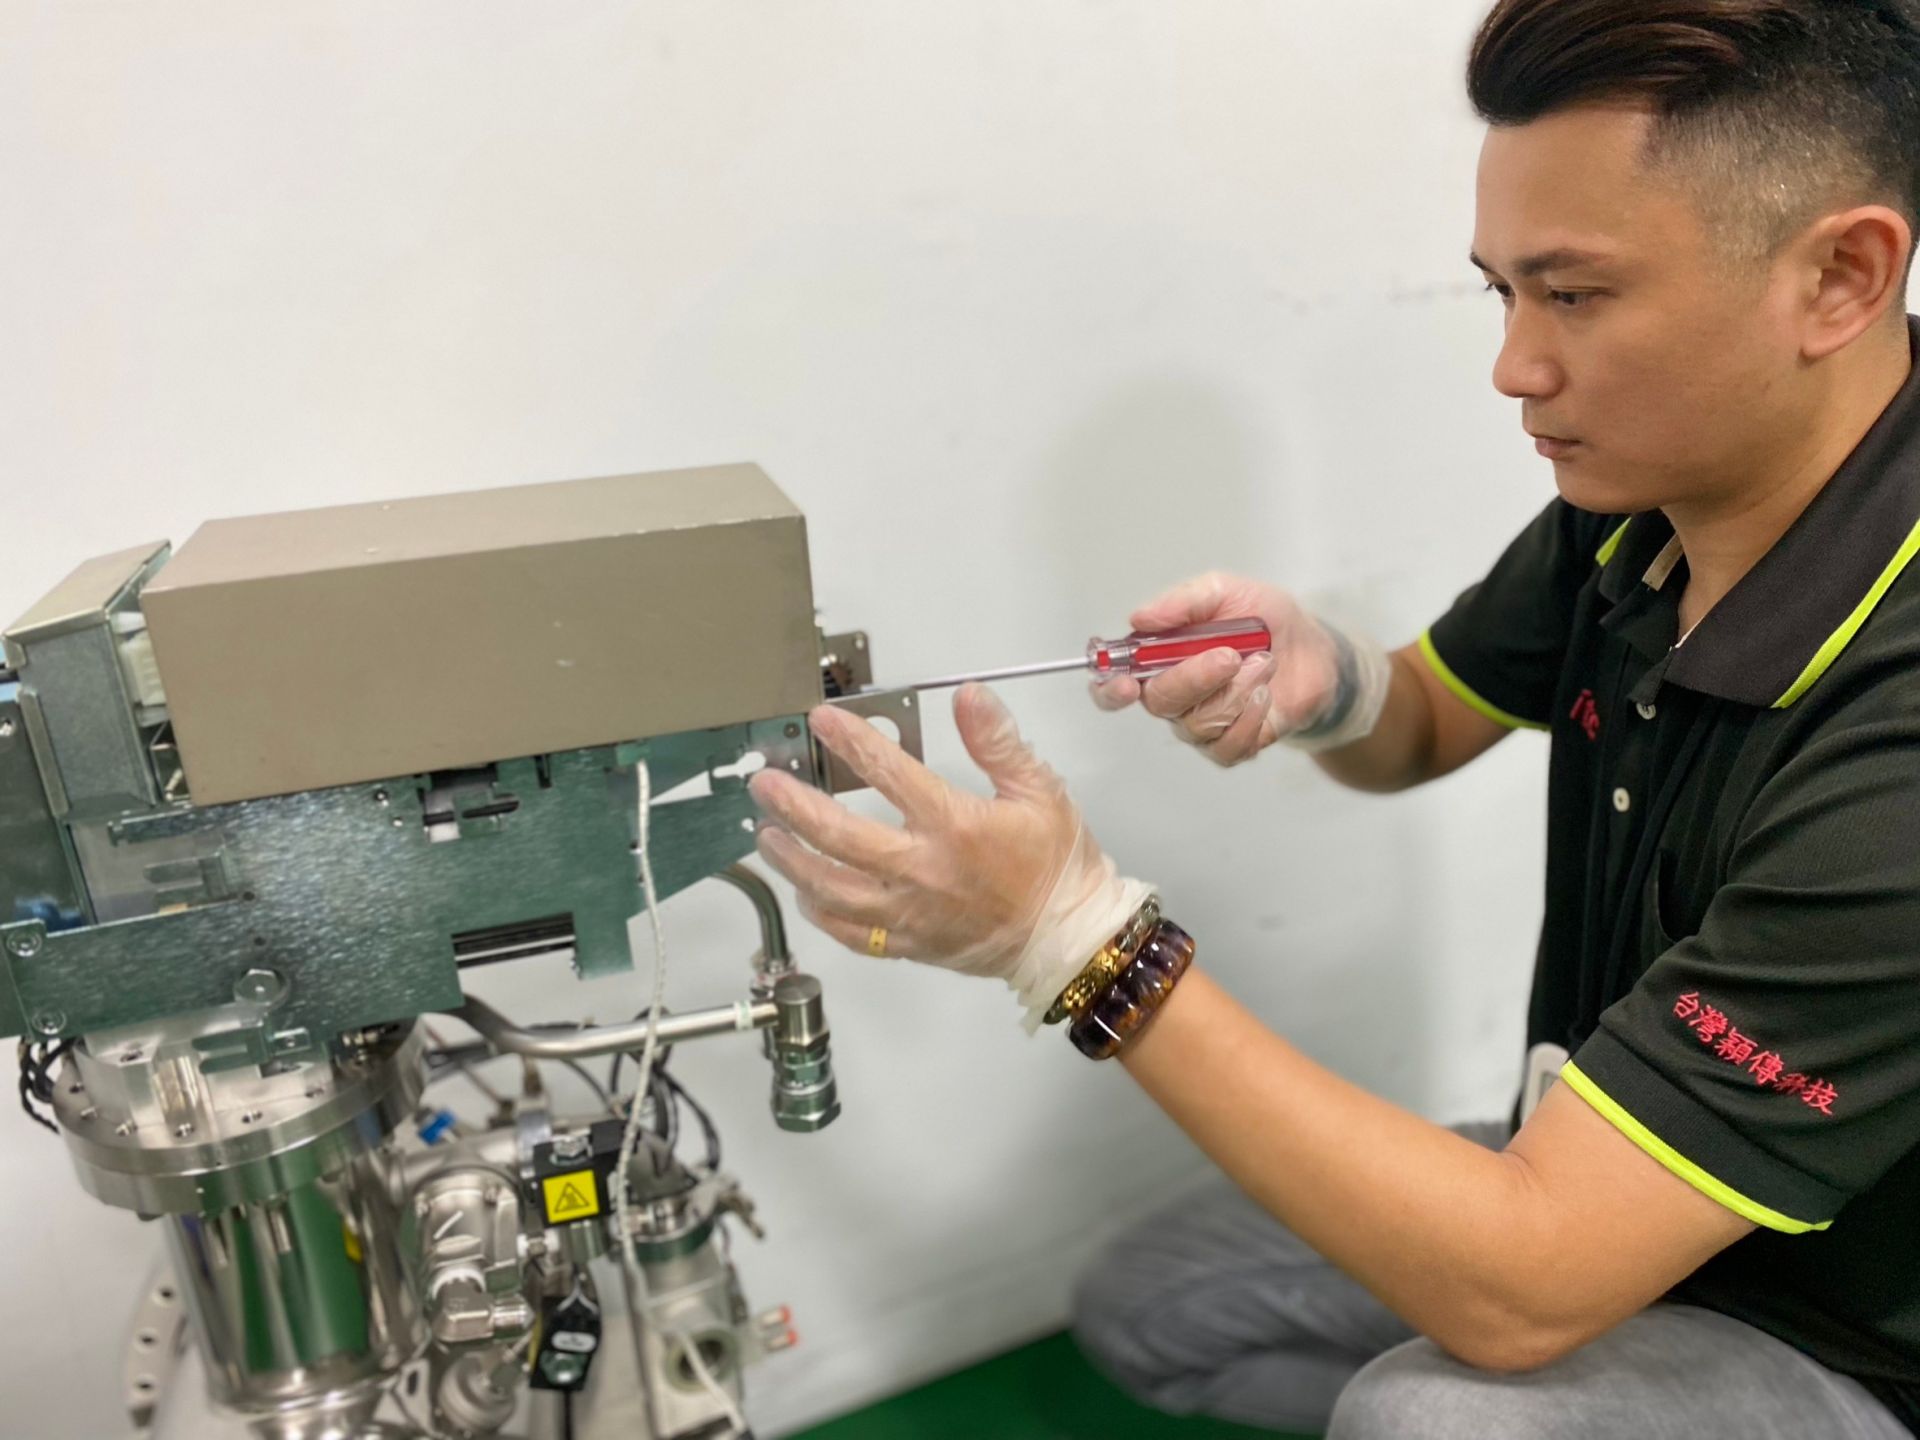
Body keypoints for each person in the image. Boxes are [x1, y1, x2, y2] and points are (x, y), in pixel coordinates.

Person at [746, 1, 1920, 1434]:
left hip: (1848, 1335)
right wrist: (1328, 678)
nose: (1516, 367)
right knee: (1162, 1302)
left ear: (1841, 278)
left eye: (1575, 296)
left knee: (1431, 1414)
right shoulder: (1660, 495)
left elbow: (1527, 1288)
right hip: (1625, 1177)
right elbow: (1419, 723)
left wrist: (1073, 940)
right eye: (1501, 292)